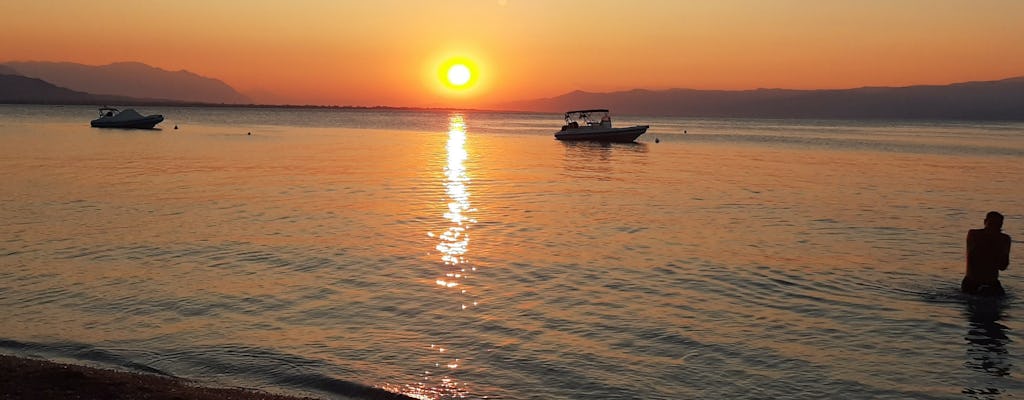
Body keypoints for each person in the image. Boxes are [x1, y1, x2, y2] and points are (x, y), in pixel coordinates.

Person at [962, 211, 1012, 296]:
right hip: (972, 281)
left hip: (992, 282)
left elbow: (1003, 266)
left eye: (998, 225)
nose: (994, 228)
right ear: (985, 222)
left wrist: (1000, 248)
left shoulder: (1004, 239)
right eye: (992, 224)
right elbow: (973, 257)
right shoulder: (974, 234)